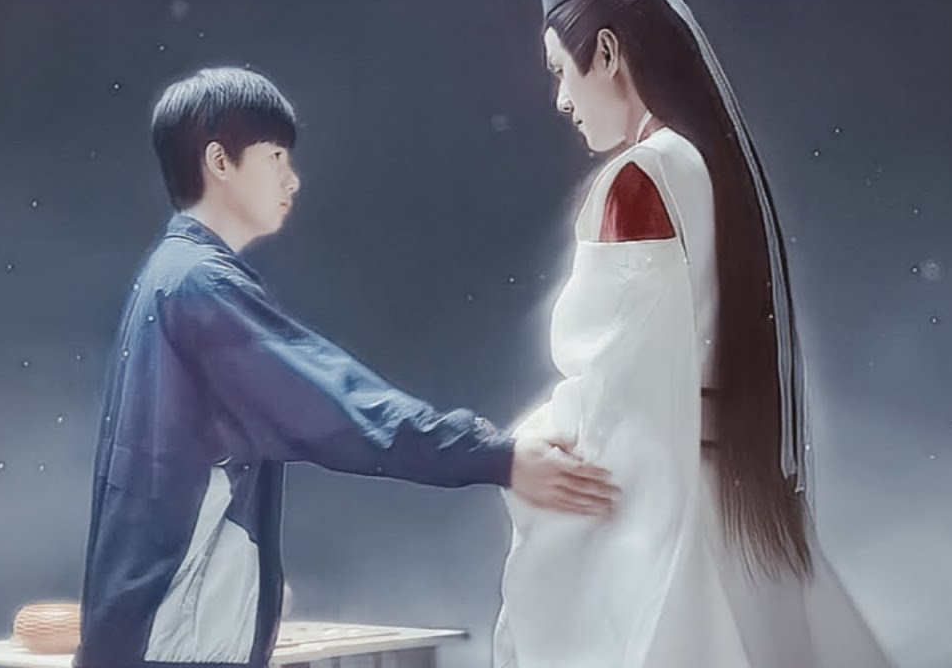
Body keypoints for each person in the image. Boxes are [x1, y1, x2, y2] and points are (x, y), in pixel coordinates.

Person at [74, 66, 619, 668]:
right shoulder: (200, 289)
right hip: (173, 647)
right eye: (275, 156)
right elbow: (340, 405)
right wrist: (498, 457)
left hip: (147, 636)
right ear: (219, 162)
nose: (292, 179)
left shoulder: (169, 275)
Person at [492, 0, 894, 666]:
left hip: (668, 509)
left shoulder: (638, 180)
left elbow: (619, 392)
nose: (560, 100)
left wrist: (523, 447)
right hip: (735, 513)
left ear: (606, 52)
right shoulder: (712, 164)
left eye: (560, 70)